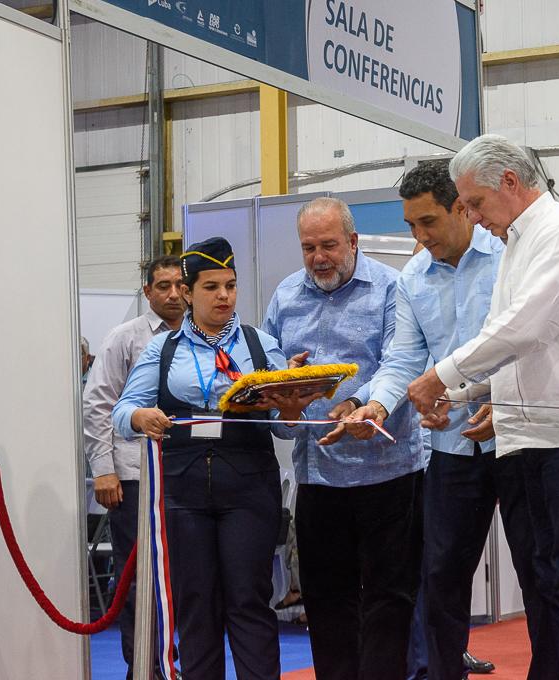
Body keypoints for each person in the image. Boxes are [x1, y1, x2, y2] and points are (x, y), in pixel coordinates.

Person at [407, 134, 559, 680]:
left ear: (510, 182)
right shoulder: (520, 240)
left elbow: (525, 328)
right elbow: (509, 342)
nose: (472, 216)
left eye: (475, 204)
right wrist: (459, 393)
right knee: (549, 580)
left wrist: (441, 376)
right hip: (539, 434)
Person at [333, 161, 536, 680]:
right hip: (449, 451)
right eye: (411, 226)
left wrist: (501, 395)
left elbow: (528, 343)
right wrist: (376, 406)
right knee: (442, 579)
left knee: (540, 577)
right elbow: (404, 358)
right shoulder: (412, 280)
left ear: (463, 209)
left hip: (519, 439)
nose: (420, 237)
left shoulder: (512, 259)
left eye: (429, 223)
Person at [113, 237, 315, 680]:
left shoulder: (259, 346)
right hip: (182, 492)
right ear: (187, 293)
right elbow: (121, 412)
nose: (224, 296)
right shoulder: (164, 350)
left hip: (249, 489)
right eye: (211, 287)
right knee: (196, 604)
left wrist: (293, 408)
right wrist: (142, 415)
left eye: (231, 285)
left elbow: (283, 426)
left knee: (248, 600)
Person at [265, 197, 425, 680]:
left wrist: (361, 403)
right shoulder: (285, 297)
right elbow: (269, 380)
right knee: (325, 599)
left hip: (390, 473)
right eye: (309, 247)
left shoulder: (392, 289)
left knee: (389, 600)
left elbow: (402, 362)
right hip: (318, 476)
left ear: (353, 242)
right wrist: (283, 404)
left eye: (330, 245)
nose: (319, 258)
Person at [83, 255, 185, 679]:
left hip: (189, 475)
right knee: (139, 579)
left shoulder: (205, 337)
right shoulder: (124, 338)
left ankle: (176, 664)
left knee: (183, 577)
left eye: (180, 284)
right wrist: (104, 469)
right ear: (148, 292)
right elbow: (98, 403)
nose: (174, 294)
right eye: (163, 286)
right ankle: (142, 668)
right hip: (134, 477)